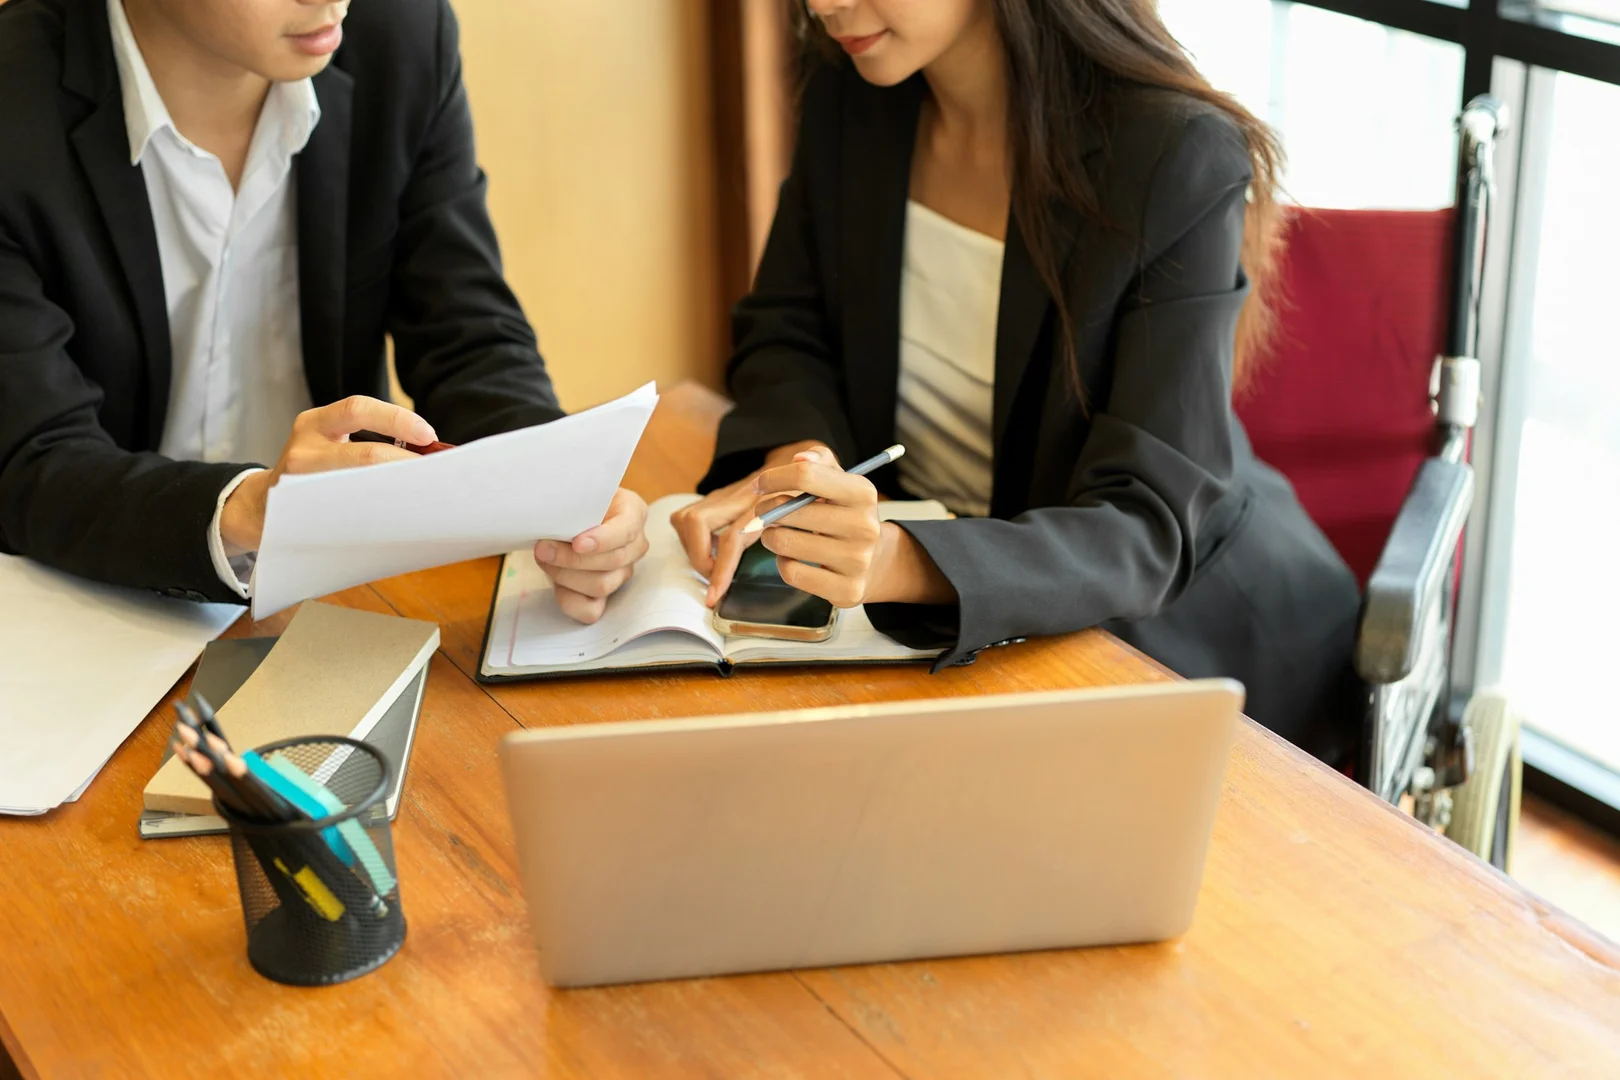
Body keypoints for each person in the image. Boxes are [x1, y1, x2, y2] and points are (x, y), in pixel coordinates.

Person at [671, 0, 1362, 762]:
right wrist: (803, 467)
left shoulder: (1175, 152)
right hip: (930, 609)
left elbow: (1145, 523)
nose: (823, 5)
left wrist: (901, 558)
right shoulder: (851, 93)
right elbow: (787, 329)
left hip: (1167, 632)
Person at [0, 0, 647, 625]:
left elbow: (467, 337)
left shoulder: (401, 37)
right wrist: (249, 506)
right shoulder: (15, 91)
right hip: (85, 603)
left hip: (342, 597)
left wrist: (564, 486)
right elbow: (33, 458)